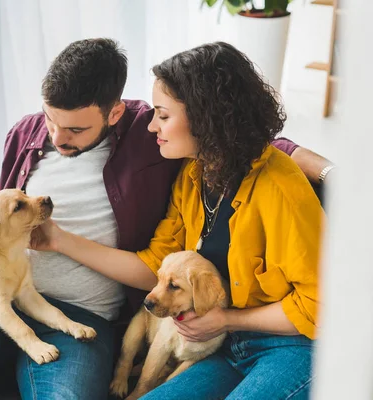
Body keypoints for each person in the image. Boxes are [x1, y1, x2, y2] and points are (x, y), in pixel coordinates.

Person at [0, 39, 328, 400]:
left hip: (257, 338)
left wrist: (333, 172)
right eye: (50, 121)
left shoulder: (159, 147)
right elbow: (0, 204)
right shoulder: (188, 175)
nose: (57, 136)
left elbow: (266, 148)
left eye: (76, 128)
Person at [31, 42, 323, 399]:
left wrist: (228, 320)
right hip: (219, 345)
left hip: (291, 347)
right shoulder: (193, 176)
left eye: (163, 115)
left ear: (206, 118)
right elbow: (154, 263)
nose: (153, 126)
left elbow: (320, 305)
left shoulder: (281, 189)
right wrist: (59, 240)